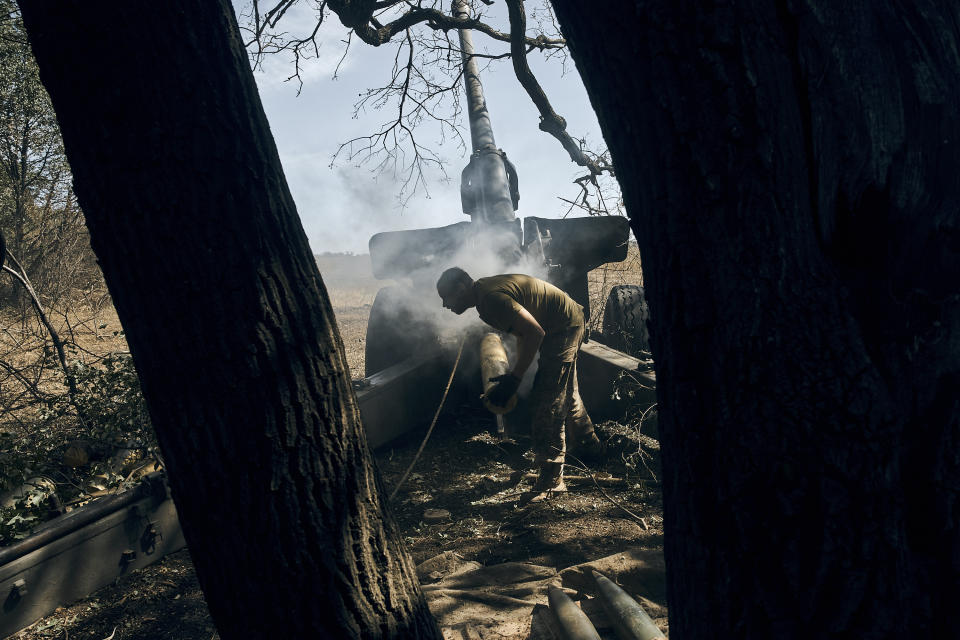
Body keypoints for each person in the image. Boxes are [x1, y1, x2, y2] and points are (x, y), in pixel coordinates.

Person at [436, 267, 603, 500]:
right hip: (567, 319)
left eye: (446, 297)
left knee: (547, 399)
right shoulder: (484, 296)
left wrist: (515, 378)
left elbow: (535, 332)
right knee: (565, 391)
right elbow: (523, 334)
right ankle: (589, 445)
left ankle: (552, 480)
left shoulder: (490, 299)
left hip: (564, 326)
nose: (445, 305)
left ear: (461, 287)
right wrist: (514, 374)